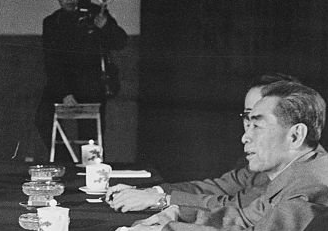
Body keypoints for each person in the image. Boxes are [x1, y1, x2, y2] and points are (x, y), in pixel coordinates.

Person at [124, 81, 328, 231]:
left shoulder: (310, 187)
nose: (245, 137)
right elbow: (245, 218)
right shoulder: (302, 170)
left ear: (295, 136)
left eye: (257, 126)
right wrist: (180, 215)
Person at [107, 73, 299, 213]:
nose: (246, 133)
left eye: (258, 120)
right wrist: (151, 192)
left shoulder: (298, 174)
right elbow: (216, 188)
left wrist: (161, 201)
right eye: (247, 117)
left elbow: (237, 208)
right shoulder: (263, 160)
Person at [35, 0, 128, 145]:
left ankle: (88, 170)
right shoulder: (52, 22)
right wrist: (64, 93)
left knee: (90, 136)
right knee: (44, 119)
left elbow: (121, 43)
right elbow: (51, 61)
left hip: (91, 84)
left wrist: (106, 26)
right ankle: (65, 162)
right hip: (62, 83)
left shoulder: (95, 13)